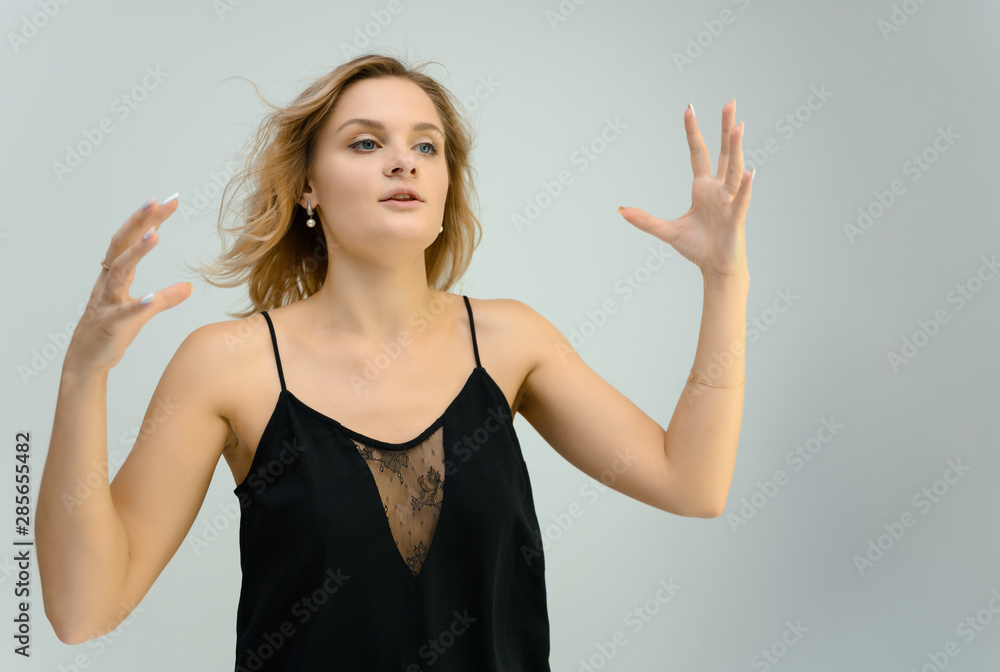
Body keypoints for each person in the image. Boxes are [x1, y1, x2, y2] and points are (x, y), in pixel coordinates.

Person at [36, 52, 753, 670]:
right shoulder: (228, 366)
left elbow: (692, 483)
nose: (403, 160)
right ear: (307, 187)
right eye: (365, 142)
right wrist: (82, 376)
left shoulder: (512, 342)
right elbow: (84, 609)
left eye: (426, 146)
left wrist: (725, 280)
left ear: (444, 188)